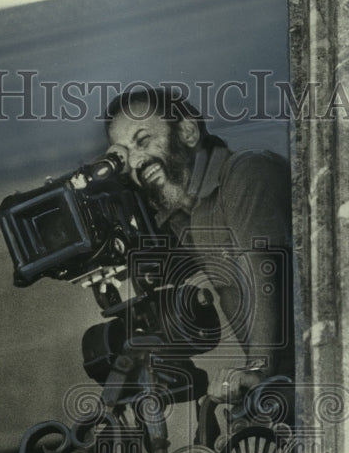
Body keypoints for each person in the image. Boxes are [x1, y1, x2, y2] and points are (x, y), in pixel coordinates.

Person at [104, 87, 294, 425]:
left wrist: (257, 370)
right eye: (124, 154)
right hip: (291, 384)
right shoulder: (184, 217)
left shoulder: (245, 172)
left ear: (188, 132)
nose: (135, 161)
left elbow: (264, 271)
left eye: (143, 141)